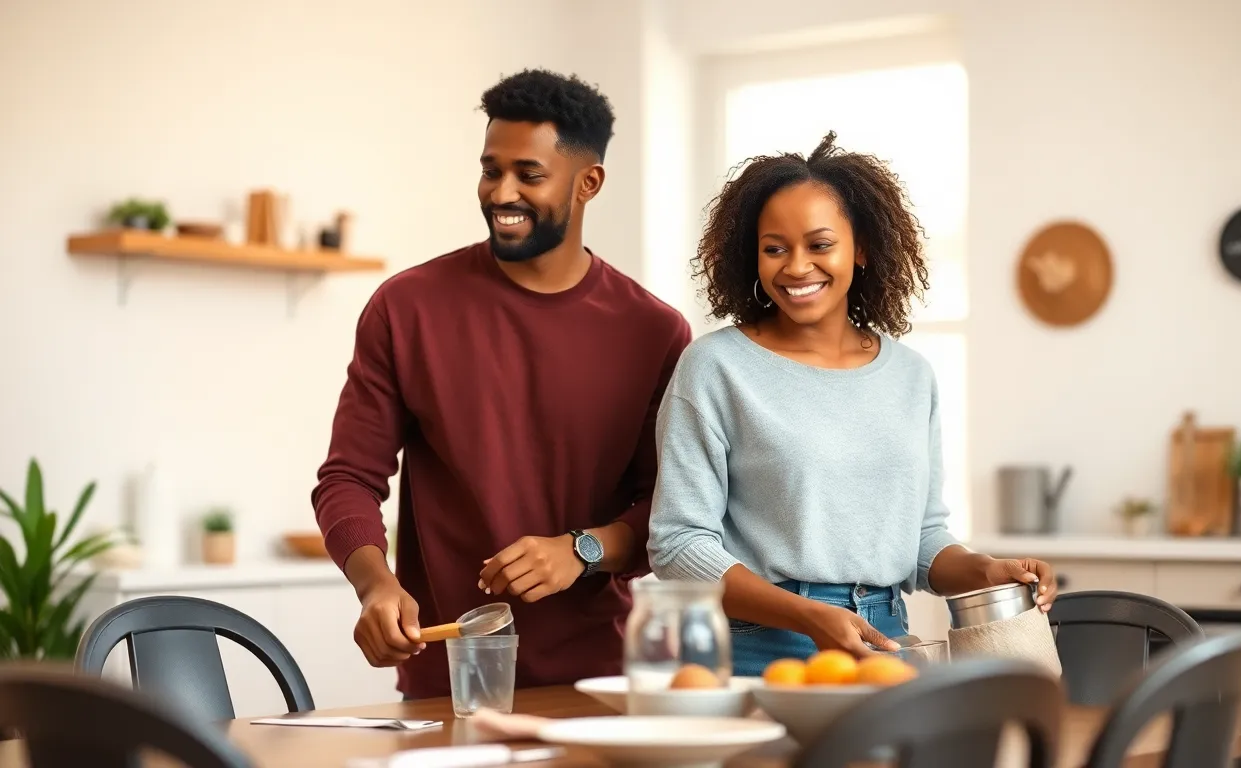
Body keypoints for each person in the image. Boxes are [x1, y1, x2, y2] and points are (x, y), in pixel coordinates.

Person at [313, 68, 692, 699]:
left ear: (588, 183)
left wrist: (584, 549)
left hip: (597, 685)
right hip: (449, 683)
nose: (501, 192)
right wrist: (375, 583)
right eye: (491, 170)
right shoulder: (407, 307)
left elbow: (673, 511)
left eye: (529, 174)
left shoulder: (655, 332)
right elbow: (347, 478)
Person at [646, 132, 1057, 676]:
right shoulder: (716, 367)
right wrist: (807, 615)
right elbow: (678, 544)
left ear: (860, 248)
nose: (796, 267)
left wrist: (986, 570)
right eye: (775, 248)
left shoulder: (911, 376)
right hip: (757, 645)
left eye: (819, 245)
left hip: (885, 640)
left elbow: (922, 540)